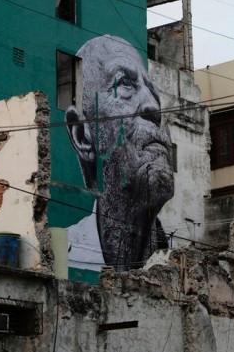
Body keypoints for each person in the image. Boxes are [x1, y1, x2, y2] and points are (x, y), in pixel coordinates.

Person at [66, 35, 174, 272]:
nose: (154, 108)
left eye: (154, 93)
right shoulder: (59, 260)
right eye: (125, 83)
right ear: (82, 135)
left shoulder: (185, 269)